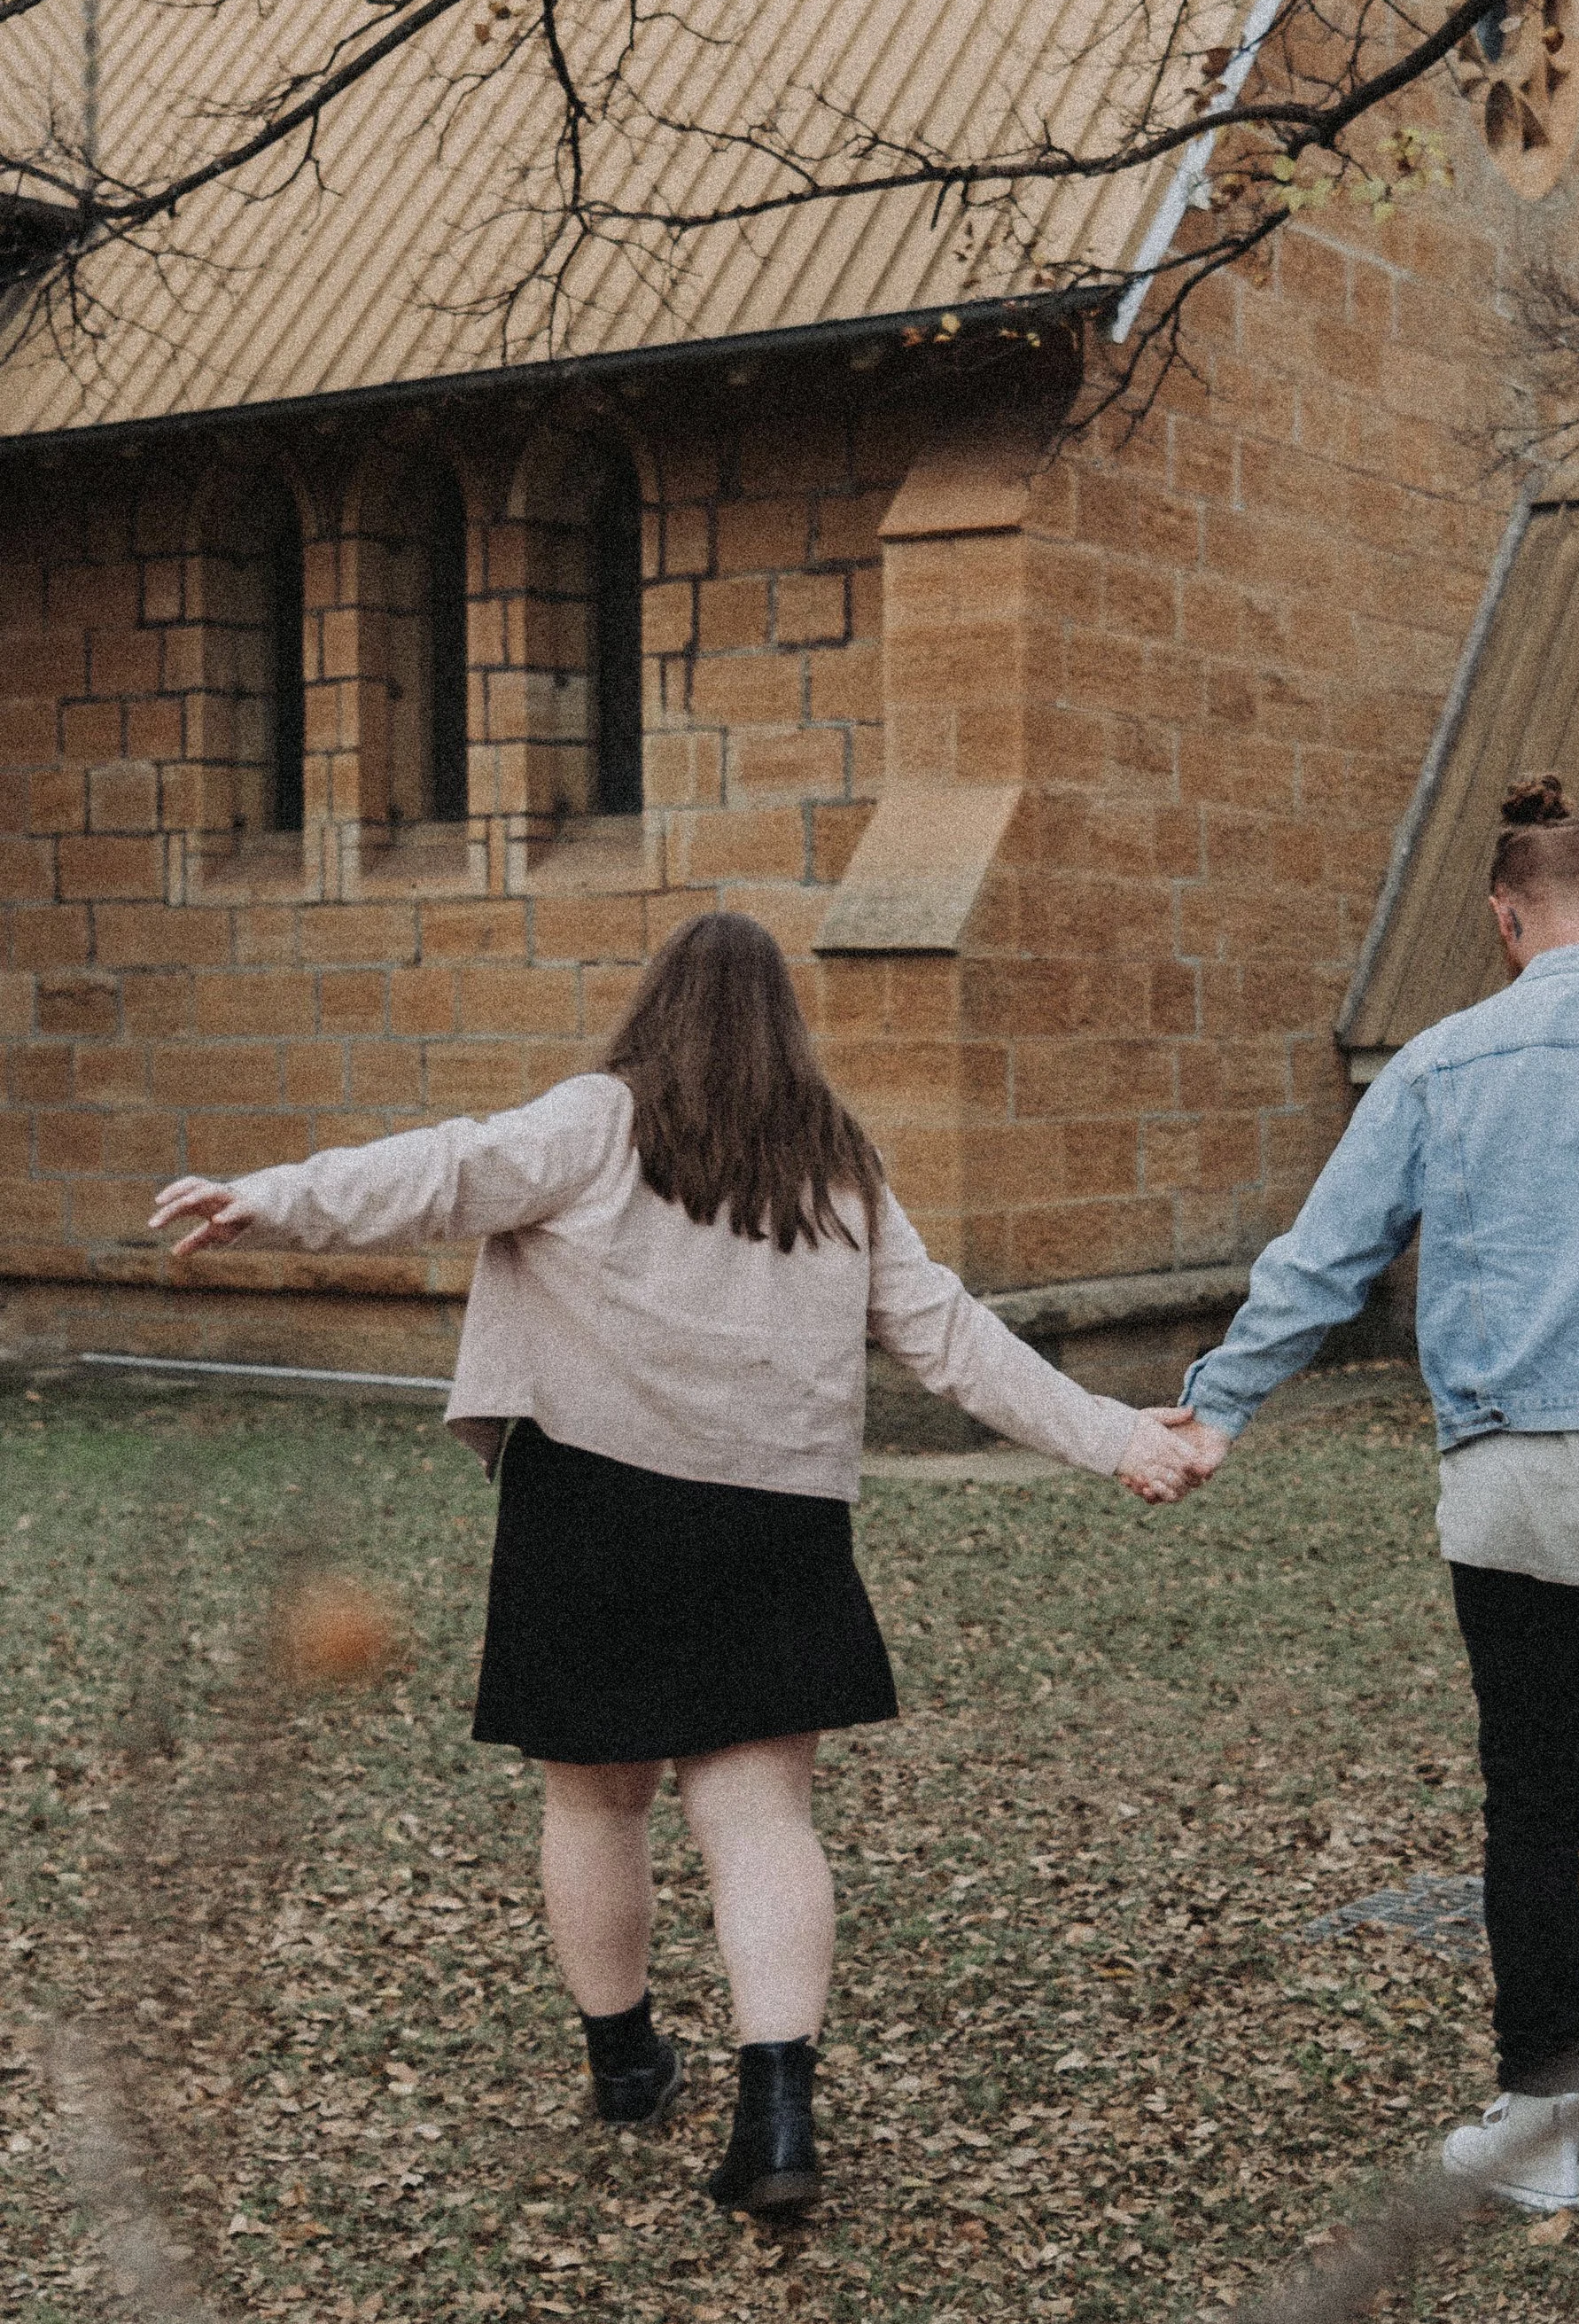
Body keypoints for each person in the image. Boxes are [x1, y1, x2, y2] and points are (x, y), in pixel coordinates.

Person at [149, 912, 1202, 2220]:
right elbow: (951, 1337)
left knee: (597, 1805)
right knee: (760, 1817)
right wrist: (1117, 1441)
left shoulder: (600, 1119)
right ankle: (775, 2111)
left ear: (656, 1011)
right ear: (786, 1028)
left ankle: (629, 2061)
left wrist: (273, 1198)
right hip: (771, 1523)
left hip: (592, 1506)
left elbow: (448, 1170)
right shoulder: (836, 1161)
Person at [1166, 776, 1579, 2214]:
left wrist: (1217, 1400)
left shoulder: (1440, 1060)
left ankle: (1545, 2112)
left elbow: (1325, 1257)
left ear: (1505, 918)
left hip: (1509, 1485)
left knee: (1529, 1796)